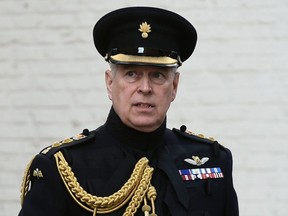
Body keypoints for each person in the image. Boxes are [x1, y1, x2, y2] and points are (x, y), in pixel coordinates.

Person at [18, 6, 239, 216]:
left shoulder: (213, 160)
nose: (145, 88)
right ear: (110, 83)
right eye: (132, 74)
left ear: (174, 87)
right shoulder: (64, 167)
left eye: (158, 75)